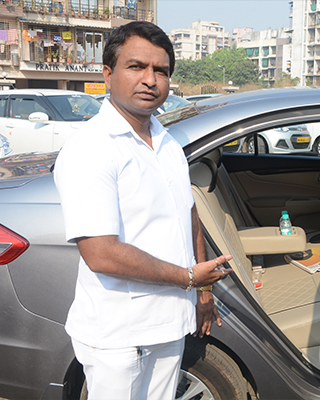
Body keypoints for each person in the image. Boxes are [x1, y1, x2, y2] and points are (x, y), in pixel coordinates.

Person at [54, 21, 232, 400]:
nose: (150, 80)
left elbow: (189, 214)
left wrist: (201, 291)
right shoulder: (91, 149)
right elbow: (101, 253)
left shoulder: (165, 140)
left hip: (168, 326)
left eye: (161, 71)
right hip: (120, 337)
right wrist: (188, 277)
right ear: (108, 74)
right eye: (136, 67)